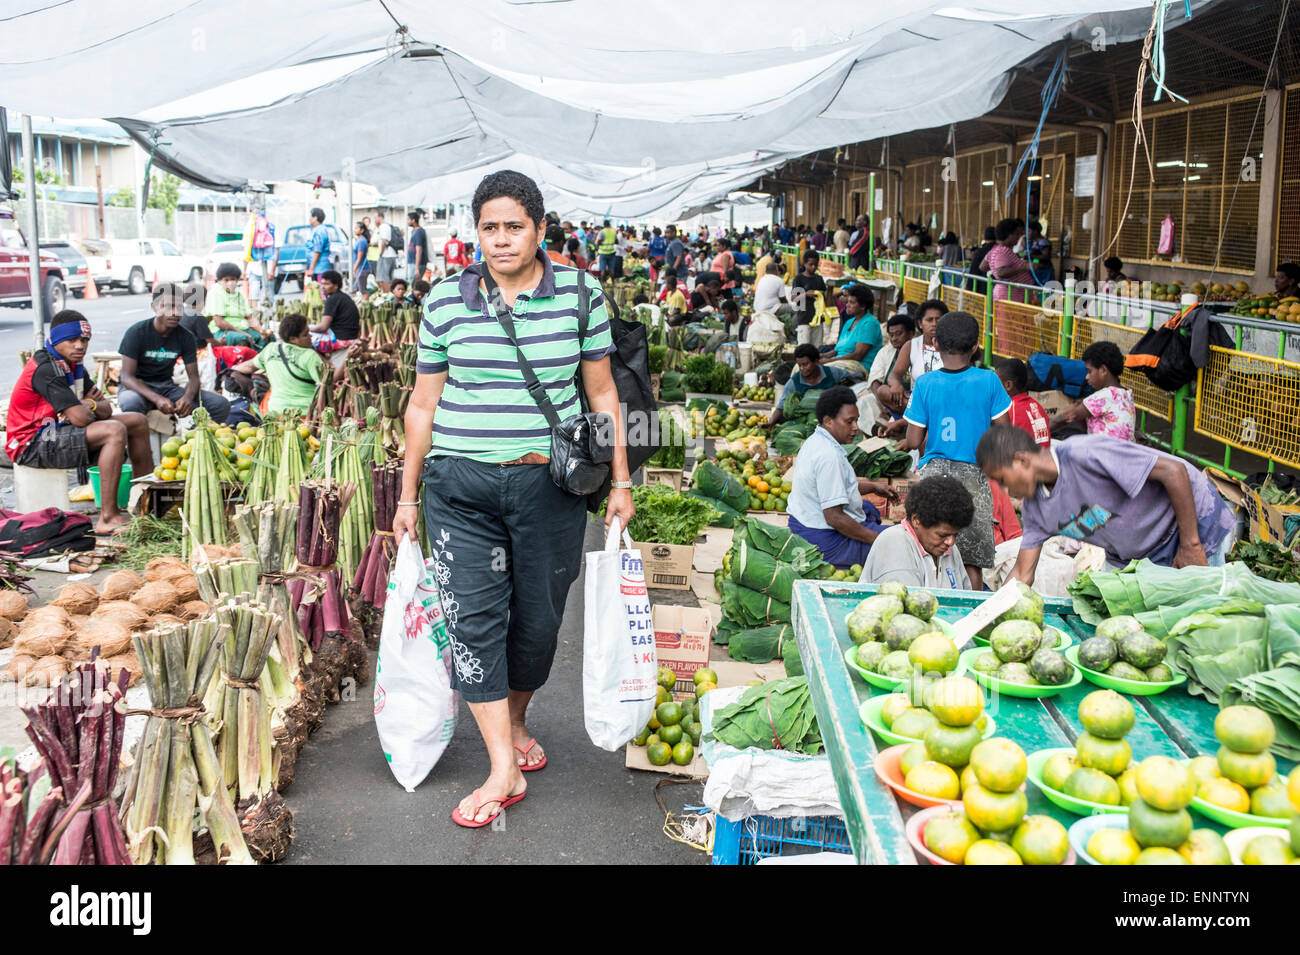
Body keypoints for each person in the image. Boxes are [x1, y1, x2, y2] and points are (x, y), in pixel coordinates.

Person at [393, 169, 632, 829]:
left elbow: (604, 394)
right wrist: (408, 495)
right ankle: (501, 762)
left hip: (547, 488)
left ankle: (517, 716)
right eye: (489, 228)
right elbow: (423, 403)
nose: (500, 240)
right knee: (472, 618)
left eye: (513, 226)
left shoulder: (582, 296)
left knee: (537, 623)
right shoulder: (445, 301)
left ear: (540, 229)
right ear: (476, 233)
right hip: (459, 488)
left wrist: (620, 481)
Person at [976, 425, 1236, 579]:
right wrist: (989, 617)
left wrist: (1191, 545)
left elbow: (1174, 471)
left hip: (1191, 528)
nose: (1003, 488)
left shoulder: (1085, 454)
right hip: (1134, 555)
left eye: (1001, 478)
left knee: (1201, 620)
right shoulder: (1036, 509)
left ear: (1021, 460)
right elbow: (1022, 574)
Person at [5, 311, 153, 535]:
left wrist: (88, 404)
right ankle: (108, 517)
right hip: (32, 442)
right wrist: (88, 406)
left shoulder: (74, 366)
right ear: (55, 340)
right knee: (113, 430)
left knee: (137, 421)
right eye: (72, 340)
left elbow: (103, 408)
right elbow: (81, 418)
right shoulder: (47, 367)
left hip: (58, 430)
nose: (80, 346)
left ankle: (147, 504)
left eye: (84, 340)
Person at [896, 311, 1011, 590]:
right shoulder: (989, 380)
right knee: (970, 560)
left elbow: (913, 439)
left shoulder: (924, 383)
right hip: (973, 476)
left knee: (930, 550)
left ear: (935, 344)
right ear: (975, 347)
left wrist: (915, 444)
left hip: (934, 476)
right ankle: (970, 613)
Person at [786, 386, 897, 569]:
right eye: (849, 422)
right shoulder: (828, 457)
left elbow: (837, 486)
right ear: (828, 421)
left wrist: (874, 487)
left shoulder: (815, 440)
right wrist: (877, 540)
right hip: (822, 540)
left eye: (856, 421)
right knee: (897, 541)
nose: (855, 428)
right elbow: (835, 518)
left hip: (803, 522)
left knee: (868, 508)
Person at [118, 283, 231, 425]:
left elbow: (194, 378)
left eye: (178, 307)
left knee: (219, 404)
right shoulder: (136, 332)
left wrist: (188, 398)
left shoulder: (186, 337)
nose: (174, 312)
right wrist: (156, 398)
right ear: (155, 307)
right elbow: (126, 377)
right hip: (137, 388)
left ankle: (193, 442)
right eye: (168, 306)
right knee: (130, 402)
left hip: (166, 388)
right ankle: (140, 444)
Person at [859, 476, 974, 590]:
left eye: (955, 535)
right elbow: (907, 603)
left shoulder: (949, 549)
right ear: (916, 520)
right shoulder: (894, 542)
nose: (951, 542)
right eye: (942, 535)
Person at [230, 313, 342, 415]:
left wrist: (230, 371)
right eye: (305, 334)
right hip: (305, 414)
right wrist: (345, 363)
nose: (310, 337)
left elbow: (247, 367)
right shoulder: (309, 356)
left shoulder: (271, 349)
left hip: (275, 412)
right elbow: (328, 383)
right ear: (293, 339)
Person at [1051, 341, 1135, 441]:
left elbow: (1069, 416)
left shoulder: (1104, 396)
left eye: (1089, 371)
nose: (1086, 377)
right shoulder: (1125, 392)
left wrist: (1040, 431)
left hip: (1104, 454)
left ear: (1103, 370)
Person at [881, 298, 944, 416]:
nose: (934, 324)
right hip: (916, 399)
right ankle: (918, 416)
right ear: (920, 323)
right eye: (929, 320)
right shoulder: (911, 345)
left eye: (938, 319)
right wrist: (896, 385)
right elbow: (894, 375)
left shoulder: (951, 344)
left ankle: (912, 419)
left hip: (942, 400)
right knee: (883, 391)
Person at [859, 313, 914, 428]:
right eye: (891, 335)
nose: (894, 339)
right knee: (865, 401)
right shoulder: (885, 351)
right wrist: (883, 405)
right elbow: (874, 380)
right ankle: (874, 438)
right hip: (887, 399)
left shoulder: (920, 352)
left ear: (910, 334)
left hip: (910, 401)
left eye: (899, 334)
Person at [770, 344, 846, 426]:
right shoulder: (794, 382)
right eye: (799, 365)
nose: (802, 368)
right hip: (805, 423)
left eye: (805, 364)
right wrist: (770, 423)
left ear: (816, 361)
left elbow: (854, 379)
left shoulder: (832, 373)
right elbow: (780, 407)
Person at [203, 263, 266, 347]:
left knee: (266, 338)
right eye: (226, 280)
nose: (230, 283)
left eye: (232, 279)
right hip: (222, 331)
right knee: (243, 339)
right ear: (221, 281)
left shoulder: (240, 295)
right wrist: (242, 333)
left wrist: (261, 331)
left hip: (242, 330)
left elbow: (250, 318)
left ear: (237, 280)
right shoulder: (216, 294)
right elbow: (219, 322)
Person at [994, 357, 1051, 448]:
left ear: (1008, 385)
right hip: (1043, 459)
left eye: (996, 382)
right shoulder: (1037, 406)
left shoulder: (1008, 409)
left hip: (1023, 460)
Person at [824, 284, 881, 372]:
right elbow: (837, 350)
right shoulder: (849, 322)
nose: (847, 305)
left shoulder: (869, 324)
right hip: (839, 363)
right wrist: (819, 356)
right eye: (847, 302)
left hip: (858, 367)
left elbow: (858, 355)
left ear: (863, 306)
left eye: (852, 303)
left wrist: (830, 361)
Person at [982, 217, 1032, 302]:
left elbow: (983, 266)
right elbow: (1001, 272)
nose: (1018, 237)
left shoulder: (996, 250)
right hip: (1010, 296)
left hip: (1010, 294)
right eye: (1016, 234)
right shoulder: (1002, 251)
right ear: (1008, 235)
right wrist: (1024, 267)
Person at [309, 270, 362, 347]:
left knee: (307, 338)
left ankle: (323, 359)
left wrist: (307, 330)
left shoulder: (332, 300)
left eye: (327, 284)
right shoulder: (343, 296)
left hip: (342, 340)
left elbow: (323, 327)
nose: (323, 287)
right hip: (352, 337)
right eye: (322, 284)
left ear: (336, 286)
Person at [792, 250, 827, 346]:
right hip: (804, 318)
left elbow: (824, 295)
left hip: (818, 319)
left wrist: (821, 293)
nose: (813, 267)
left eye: (816, 265)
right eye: (811, 264)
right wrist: (806, 294)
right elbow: (794, 298)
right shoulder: (799, 279)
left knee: (817, 347)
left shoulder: (819, 279)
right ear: (805, 264)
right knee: (804, 347)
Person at [303, 207, 332, 284]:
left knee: (320, 292)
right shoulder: (316, 230)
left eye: (310, 217)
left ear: (315, 218)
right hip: (317, 268)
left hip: (320, 269)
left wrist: (311, 268)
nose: (309, 219)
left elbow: (317, 250)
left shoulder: (320, 231)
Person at [966, 226, 997, 294]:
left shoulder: (980, 251)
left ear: (984, 237)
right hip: (995, 288)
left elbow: (973, 270)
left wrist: (969, 288)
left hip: (981, 287)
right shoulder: (1000, 250)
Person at [372, 211, 396, 292]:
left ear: (380, 217)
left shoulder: (383, 227)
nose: (374, 220)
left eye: (375, 218)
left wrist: (380, 253)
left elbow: (384, 241)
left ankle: (387, 295)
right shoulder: (387, 226)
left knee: (383, 279)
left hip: (386, 255)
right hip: (390, 254)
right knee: (388, 278)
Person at [1026, 220, 1053, 285]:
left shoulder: (1043, 242)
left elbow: (1046, 256)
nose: (1027, 233)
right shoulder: (1032, 242)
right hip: (1036, 270)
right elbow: (1035, 259)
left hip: (1044, 272)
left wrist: (1031, 256)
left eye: (1029, 231)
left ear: (1035, 231)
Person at [352, 221, 372, 293]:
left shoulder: (361, 241)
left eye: (356, 228)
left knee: (363, 290)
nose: (355, 230)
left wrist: (353, 270)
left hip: (362, 269)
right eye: (355, 228)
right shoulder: (359, 240)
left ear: (362, 230)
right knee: (359, 289)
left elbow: (359, 258)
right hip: (360, 268)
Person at [407, 210, 428, 280]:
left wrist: (416, 267)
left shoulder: (418, 232)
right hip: (413, 262)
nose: (407, 221)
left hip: (417, 263)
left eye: (408, 219)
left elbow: (419, 250)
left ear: (413, 220)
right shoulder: (414, 231)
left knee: (414, 283)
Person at [596, 218, 618, 283]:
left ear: (604, 225)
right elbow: (616, 241)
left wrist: (599, 245)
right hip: (611, 252)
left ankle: (602, 284)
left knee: (603, 270)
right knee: (611, 270)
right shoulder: (613, 232)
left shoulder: (602, 232)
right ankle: (613, 284)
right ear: (609, 224)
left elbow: (599, 241)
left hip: (603, 253)